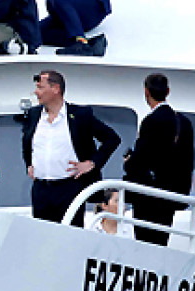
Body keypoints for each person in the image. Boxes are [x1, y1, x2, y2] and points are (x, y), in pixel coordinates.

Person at [21, 69, 122, 223]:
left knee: (70, 236)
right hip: (40, 189)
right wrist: (29, 164)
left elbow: (112, 138)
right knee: (43, 238)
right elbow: (27, 141)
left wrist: (92, 163)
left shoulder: (80, 115)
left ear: (56, 89)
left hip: (69, 189)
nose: (35, 92)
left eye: (40, 87)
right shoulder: (33, 115)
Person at [122, 73, 195, 247]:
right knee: (161, 242)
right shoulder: (183, 122)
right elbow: (188, 161)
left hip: (149, 197)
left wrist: (128, 162)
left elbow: (139, 160)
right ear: (167, 91)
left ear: (146, 92)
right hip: (171, 196)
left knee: (145, 243)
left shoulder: (151, 121)